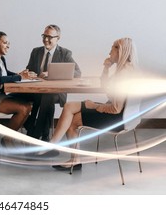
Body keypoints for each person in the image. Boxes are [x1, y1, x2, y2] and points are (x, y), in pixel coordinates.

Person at [49, 37, 138, 170]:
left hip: (116, 119)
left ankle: (73, 159)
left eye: (112, 47)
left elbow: (115, 109)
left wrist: (94, 106)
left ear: (120, 51)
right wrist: (106, 68)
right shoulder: (127, 70)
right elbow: (107, 89)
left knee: (73, 121)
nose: (109, 52)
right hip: (125, 117)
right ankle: (54, 144)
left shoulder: (123, 75)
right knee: (69, 106)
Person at [23, 24, 81, 141]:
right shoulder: (36, 52)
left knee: (47, 97)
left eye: (49, 37)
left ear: (57, 38)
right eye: (44, 36)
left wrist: (51, 74)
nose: (45, 39)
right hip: (37, 90)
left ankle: (35, 133)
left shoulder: (65, 53)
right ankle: (44, 136)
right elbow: (29, 69)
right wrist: (28, 73)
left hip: (56, 93)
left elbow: (77, 72)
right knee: (39, 98)